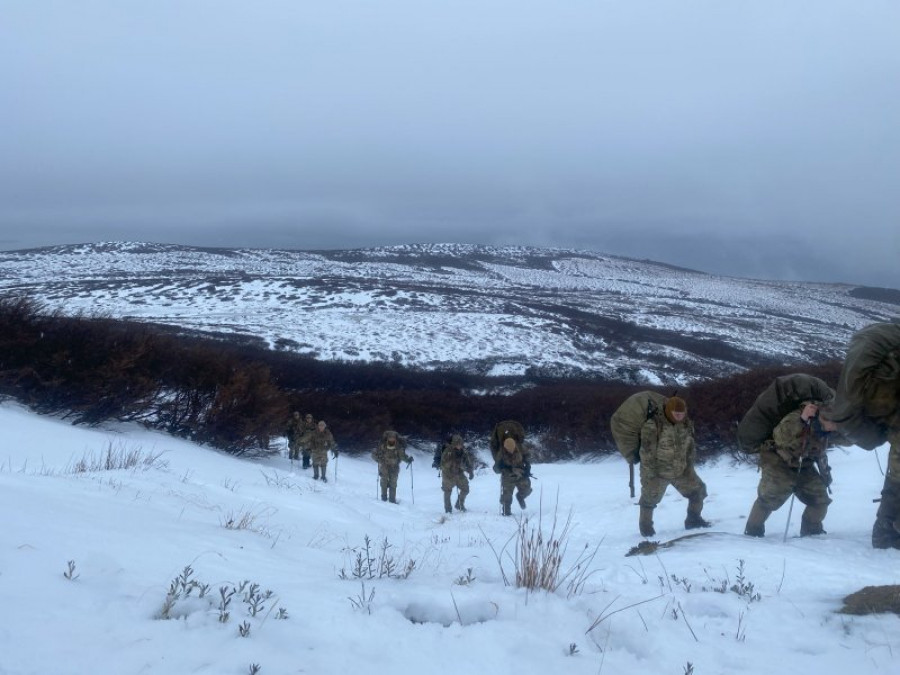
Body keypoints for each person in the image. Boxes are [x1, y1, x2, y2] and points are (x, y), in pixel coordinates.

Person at [827, 322, 900, 549]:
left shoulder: (880, 358)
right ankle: (887, 533)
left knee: (896, 476)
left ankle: (884, 535)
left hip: (887, 417)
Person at [744, 401, 837, 537]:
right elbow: (780, 438)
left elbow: (820, 453)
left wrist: (825, 474)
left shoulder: (824, 430)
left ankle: (812, 532)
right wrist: (802, 421)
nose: (835, 428)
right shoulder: (795, 418)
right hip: (778, 462)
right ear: (823, 418)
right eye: (834, 424)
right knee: (768, 499)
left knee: (820, 500)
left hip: (804, 466)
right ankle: (753, 532)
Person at [637, 396, 710, 537]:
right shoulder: (653, 426)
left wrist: (689, 467)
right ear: (669, 411)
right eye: (676, 414)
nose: (679, 417)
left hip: (681, 471)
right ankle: (646, 529)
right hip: (658, 473)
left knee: (699, 491)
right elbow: (646, 454)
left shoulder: (686, 424)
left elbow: (690, 447)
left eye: (682, 414)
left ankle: (693, 520)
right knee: (648, 500)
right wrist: (648, 477)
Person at [491, 420, 531, 516]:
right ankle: (506, 511)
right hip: (507, 477)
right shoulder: (501, 453)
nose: (511, 450)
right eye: (508, 449)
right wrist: (502, 466)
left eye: (512, 448)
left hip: (520, 474)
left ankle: (520, 497)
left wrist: (527, 469)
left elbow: (527, 459)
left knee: (527, 490)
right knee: (506, 496)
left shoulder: (521, 448)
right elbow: (496, 469)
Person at [373, 430, 413, 503]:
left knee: (393, 483)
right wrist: (379, 460)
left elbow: (402, 456)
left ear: (395, 438)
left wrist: (408, 460)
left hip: (394, 467)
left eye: (393, 438)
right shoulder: (382, 445)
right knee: (384, 482)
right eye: (390, 438)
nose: (391, 439)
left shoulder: (398, 446)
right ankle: (383, 498)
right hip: (384, 466)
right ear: (387, 438)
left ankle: (392, 499)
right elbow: (374, 454)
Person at [439, 434, 474, 514]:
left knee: (465, 489)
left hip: (459, 473)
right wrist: (453, 464)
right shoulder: (448, 451)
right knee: (447, 491)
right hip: (448, 474)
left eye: (461, 444)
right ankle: (448, 509)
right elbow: (443, 465)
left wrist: (470, 471)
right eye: (458, 444)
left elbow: (468, 462)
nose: (460, 446)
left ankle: (459, 504)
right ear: (454, 444)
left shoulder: (463, 451)